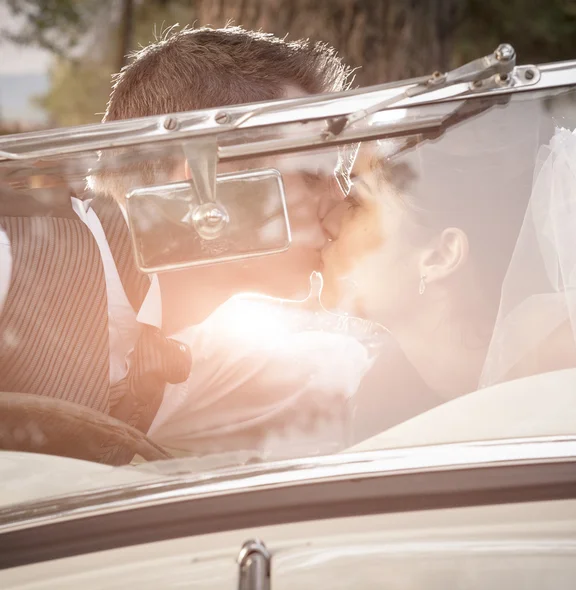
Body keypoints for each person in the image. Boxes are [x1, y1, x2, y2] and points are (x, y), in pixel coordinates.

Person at [82, 25, 396, 460]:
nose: (342, 202)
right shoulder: (14, 264)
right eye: (312, 173)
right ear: (208, 184)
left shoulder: (216, 364)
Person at [319, 92, 576, 403]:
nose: (328, 219)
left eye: (357, 202)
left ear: (440, 256)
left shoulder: (571, 359)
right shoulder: (371, 388)